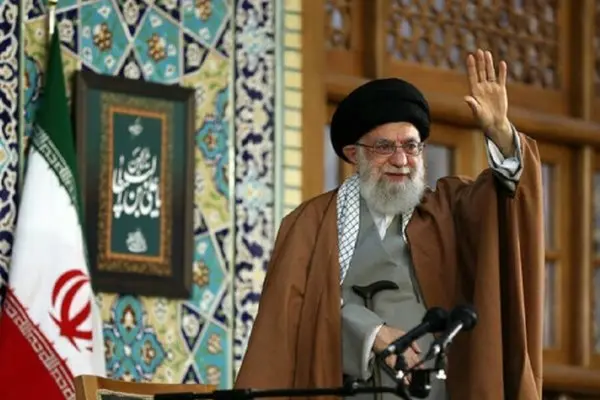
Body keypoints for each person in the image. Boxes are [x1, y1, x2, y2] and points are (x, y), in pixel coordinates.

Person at [234, 49, 543, 400]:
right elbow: (291, 321)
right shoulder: (309, 224)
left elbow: (507, 199)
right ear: (354, 154)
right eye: (384, 147)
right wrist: (370, 333)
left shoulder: (448, 210)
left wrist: (500, 131)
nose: (401, 160)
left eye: (411, 146)